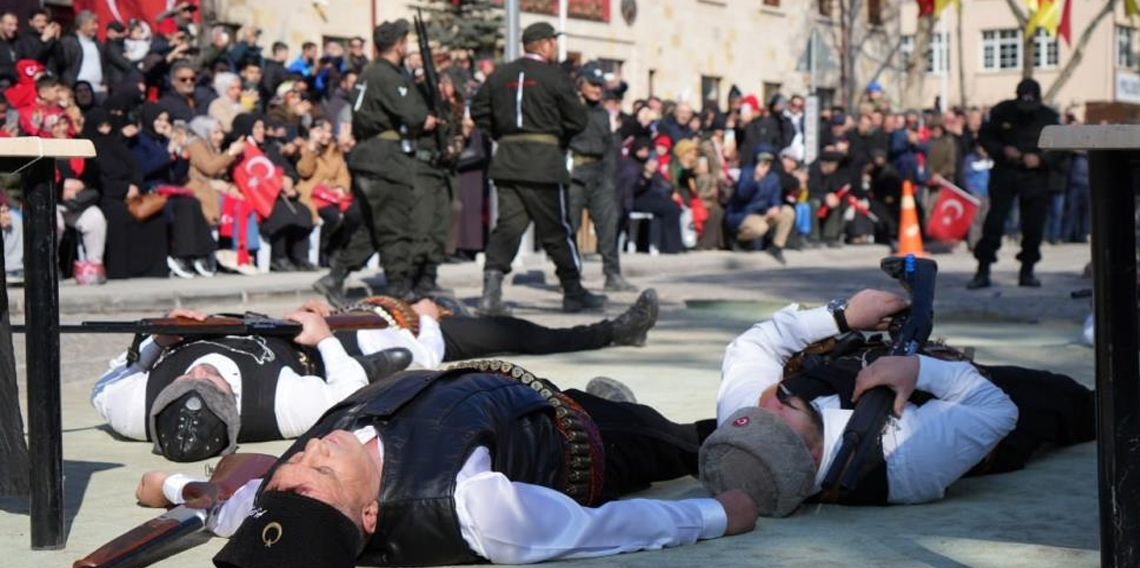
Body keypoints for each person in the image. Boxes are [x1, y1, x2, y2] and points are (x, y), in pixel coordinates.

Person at [134, 365, 757, 568]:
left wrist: (171, 485)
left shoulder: (285, 499)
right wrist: (714, 514)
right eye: (322, 474)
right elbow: (599, 530)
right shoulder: (475, 508)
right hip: (582, 440)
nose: (311, 452)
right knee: (679, 441)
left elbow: (229, 506)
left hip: (505, 397)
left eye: (296, 469)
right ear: (371, 514)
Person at [702, 288, 1094, 516]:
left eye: (755, 417)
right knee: (1074, 402)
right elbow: (997, 410)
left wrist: (841, 316)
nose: (770, 404)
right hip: (976, 406)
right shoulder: (904, 461)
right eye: (776, 421)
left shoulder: (744, 425)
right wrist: (920, 371)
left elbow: (753, 344)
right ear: (810, 454)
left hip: (883, 363)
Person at [90, 308, 413, 463]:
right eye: (212, 384)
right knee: (398, 341)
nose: (201, 371)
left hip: (235, 319)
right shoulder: (282, 406)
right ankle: (369, 366)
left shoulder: (134, 412)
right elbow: (346, 395)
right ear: (232, 401)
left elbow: (105, 385)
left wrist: (156, 342)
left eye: (186, 380)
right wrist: (324, 337)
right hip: (301, 346)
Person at [470, 22, 605, 315]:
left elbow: (478, 109)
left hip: (507, 160)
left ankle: (490, 293)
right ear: (543, 44)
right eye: (553, 42)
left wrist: (501, 136)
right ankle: (572, 290)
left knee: (507, 227)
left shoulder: (500, 75)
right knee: (556, 229)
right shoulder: (555, 77)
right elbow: (577, 119)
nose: (555, 47)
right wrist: (555, 138)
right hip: (543, 163)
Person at [314, 19, 434, 301]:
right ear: (399, 44)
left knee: (372, 228)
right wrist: (425, 113)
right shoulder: (388, 75)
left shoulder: (368, 73)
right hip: (385, 160)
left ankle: (335, 276)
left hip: (367, 156)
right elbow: (414, 114)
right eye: (405, 41)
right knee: (395, 226)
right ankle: (397, 288)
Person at [968, 79, 1061, 289]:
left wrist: (1041, 159)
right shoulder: (1002, 111)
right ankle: (983, 270)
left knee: (1033, 226)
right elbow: (985, 136)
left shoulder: (1049, 117)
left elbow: (1061, 149)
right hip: (1005, 172)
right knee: (994, 222)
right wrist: (1002, 150)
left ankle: (1027, 270)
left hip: (1035, 177)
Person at [128, 102, 217, 278]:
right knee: (182, 206)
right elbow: (142, 169)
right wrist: (167, 152)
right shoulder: (139, 141)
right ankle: (181, 255)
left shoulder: (163, 141)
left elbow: (174, 175)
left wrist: (182, 157)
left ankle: (202, 252)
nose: (163, 123)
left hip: (169, 189)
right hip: (150, 191)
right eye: (159, 119)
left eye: (165, 120)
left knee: (192, 202)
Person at [566, 62, 632, 292]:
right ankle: (571, 279)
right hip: (575, 173)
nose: (597, 89)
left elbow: (609, 147)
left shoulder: (603, 113)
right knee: (570, 227)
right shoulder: (571, 109)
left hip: (599, 174)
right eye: (592, 84)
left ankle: (612, 274)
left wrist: (609, 178)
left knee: (608, 224)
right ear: (580, 84)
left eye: (599, 85)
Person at [85, 107, 170, 279]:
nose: (106, 130)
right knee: (120, 216)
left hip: (132, 193)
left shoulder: (117, 145)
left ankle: (152, 269)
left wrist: (134, 185)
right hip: (108, 196)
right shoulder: (90, 149)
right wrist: (124, 189)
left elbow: (135, 169)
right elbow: (97, 179)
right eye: (101, 126)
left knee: (155, 218)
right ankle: (121, 270)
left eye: (108, 125)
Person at [295, 118, 359, 265]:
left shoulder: (335, 151)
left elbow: (343, 174)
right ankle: (323, 250)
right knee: (333, 216)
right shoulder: (306, 147)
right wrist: (312, 148)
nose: (327, 135)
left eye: (329, 131)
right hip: (312, 194)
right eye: (322, 131)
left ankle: (334, 249)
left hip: (331, 195)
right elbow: (304, 171)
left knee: (352, 215)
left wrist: (340, 187)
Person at [727, 148, 795, 264]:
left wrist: (775, 207)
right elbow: (743, 195)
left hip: (763, 213)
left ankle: (776, 247)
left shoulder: (773, 177)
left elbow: (776, 198)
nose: (765, 166)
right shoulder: (747, 173)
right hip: (743, 214)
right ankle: (739, 239)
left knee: (788, 212)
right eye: (763, 162)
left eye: (768, 162)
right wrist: (756, 179)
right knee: (760, 227)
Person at [185, 115, 245, 226]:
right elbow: (210, 168)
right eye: (216, 132)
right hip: (202, 196)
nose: (221, 136)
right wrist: (231, 153)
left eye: (221, 132)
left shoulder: (210, 146)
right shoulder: (195, 144)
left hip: (215, 195)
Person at [60, 10, 104, 91]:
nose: (96, 27)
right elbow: (63, 67)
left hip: (98, 89)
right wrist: (70, 85)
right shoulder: (68, 42)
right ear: (82, 25)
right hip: (79, 90)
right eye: (93, 24)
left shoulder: (98, 44)